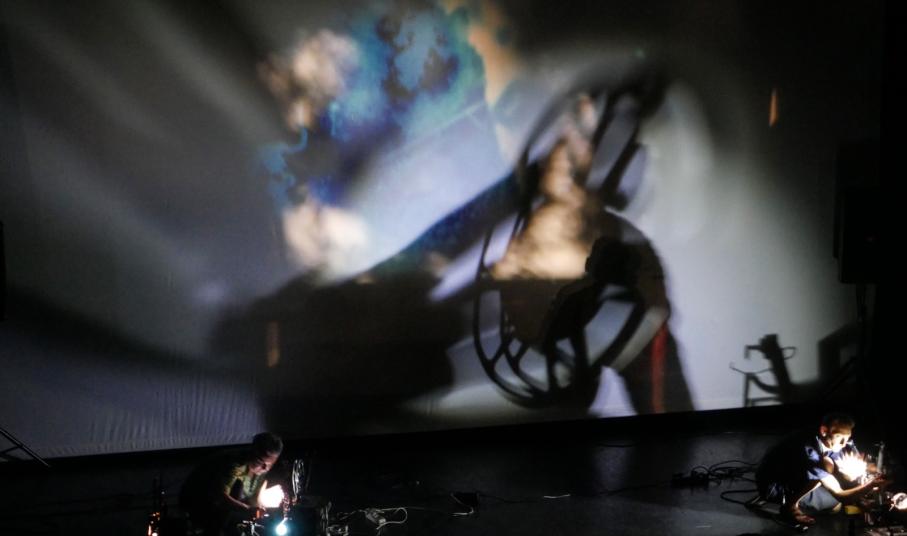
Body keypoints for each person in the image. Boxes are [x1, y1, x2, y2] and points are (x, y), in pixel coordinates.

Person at [755, 413, 884, 525]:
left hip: (795, 472)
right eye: (841, 438)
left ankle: (817, 485)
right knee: (835, 504)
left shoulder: (831, 437)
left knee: (833, 464)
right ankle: (790, 507)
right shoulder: (809, 453)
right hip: (774, 485)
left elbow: (855, 458)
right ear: (824, 431)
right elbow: (841, 495)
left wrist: (868, 468)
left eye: (848, 438)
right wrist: (870, 485)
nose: (845, 443)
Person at [180, 432, 284, 536]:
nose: (265, 468)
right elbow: (221, 496)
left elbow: (255, 495)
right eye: (261, 461)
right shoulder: (235, 465)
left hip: (223, 503)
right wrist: (248, 509)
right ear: (252, 452)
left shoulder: (261, 468)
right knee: (238, 489)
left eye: (270, 464)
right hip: (197, 500)